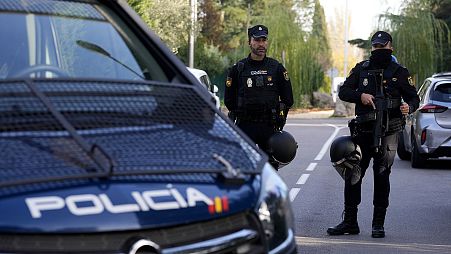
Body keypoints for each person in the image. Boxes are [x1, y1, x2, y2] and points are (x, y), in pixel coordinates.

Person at [327, 31, 420, 238]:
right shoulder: (362, 69)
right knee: (353, 175)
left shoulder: (400, 72)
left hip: (389, 133)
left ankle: (378, 224)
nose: (379, 50)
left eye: (383, 47)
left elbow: (414, 98)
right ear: (372, 48)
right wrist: (361, 95)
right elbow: (344, 92)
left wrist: (408, 107)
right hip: (363, 132)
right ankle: (350, 222)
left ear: (391, 48)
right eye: (376, 47)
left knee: (382, 176)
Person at [224, 24, 294, 169]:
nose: (261, 44)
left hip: (269, 126)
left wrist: (281, 116)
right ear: (249, 42)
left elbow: (288, 99)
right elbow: (229, 101)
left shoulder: (276, 68)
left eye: (264, 40)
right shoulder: (238, 68)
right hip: (245, 126)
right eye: (257, 40)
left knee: (270, 172)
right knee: (242, 169)